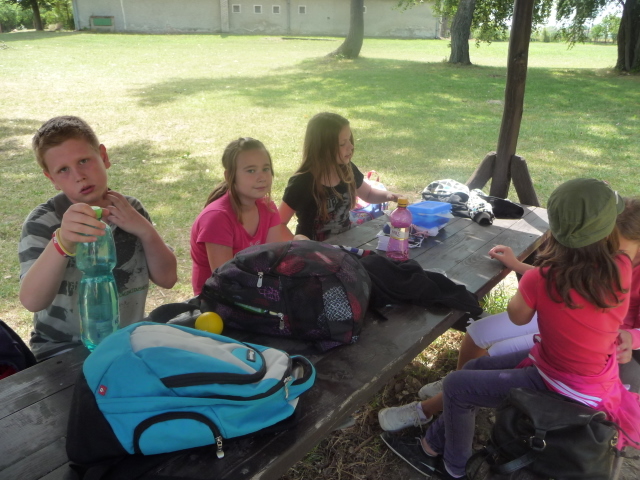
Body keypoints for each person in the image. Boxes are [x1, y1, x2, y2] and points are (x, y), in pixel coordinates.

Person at [379, 178, 640, 480]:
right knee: (474, 368)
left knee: (456, 386)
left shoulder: (541, 279)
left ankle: (454, 468)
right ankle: (431, 445)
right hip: (589, 377)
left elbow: (518, 317)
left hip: (558, 384)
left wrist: (534, 285)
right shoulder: (621, 269)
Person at [19, 116, 178, 362]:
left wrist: (145, 230)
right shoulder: (44, 222)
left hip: (125, 340)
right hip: (61, 350)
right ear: (51, 179)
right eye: (63, 170)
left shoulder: (130, 210)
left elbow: (167, 279)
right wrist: (62, 242)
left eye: (84, 161)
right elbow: (32, 301)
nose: (79, 176)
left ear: (103, 156)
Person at [190, 137, 293, 296]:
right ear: (229, 176)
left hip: (255, 289)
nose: (262, 177)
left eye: (266, 169)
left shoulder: (268, 208)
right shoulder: (217, 218)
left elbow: (273, 262)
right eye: (251, 170)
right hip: (215, 299)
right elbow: (225, 281)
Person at [278, 112, 399, 241]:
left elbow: (368, 194)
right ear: (322, 148)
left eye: (349, 140)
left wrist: (390, 196)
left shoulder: (347, 169)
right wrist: (298, 244)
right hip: (314, 250)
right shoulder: (302, 182)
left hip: (346, 244)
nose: (351, 146)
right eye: (342, 143)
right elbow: (278, 224)